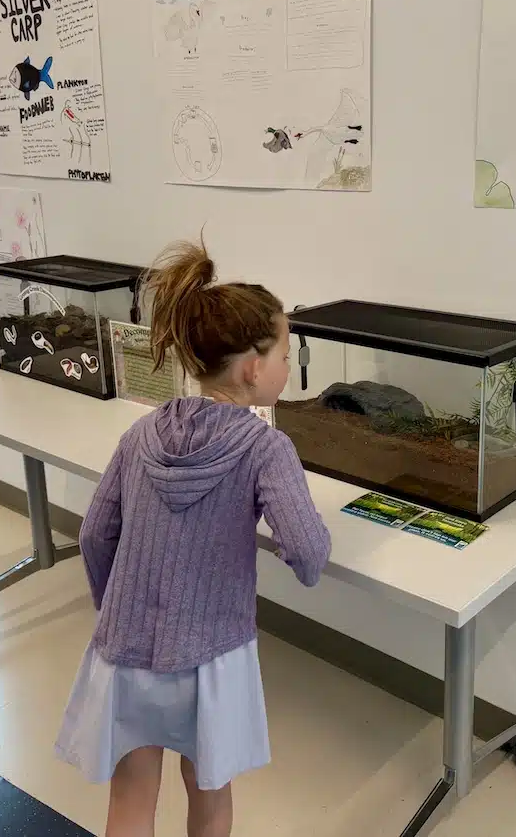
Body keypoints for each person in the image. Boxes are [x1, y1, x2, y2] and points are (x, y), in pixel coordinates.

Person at [55, 239, 331, 837]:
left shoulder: (141, 433)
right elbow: (309, 553)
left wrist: (116, 611)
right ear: (253, 368)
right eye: (286, 353)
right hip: (213, 655)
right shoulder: (266, 449)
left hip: (126, 650)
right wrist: (301, 556)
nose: (288, 367)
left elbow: (94, 535)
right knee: (209, 794)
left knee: (131, 799)